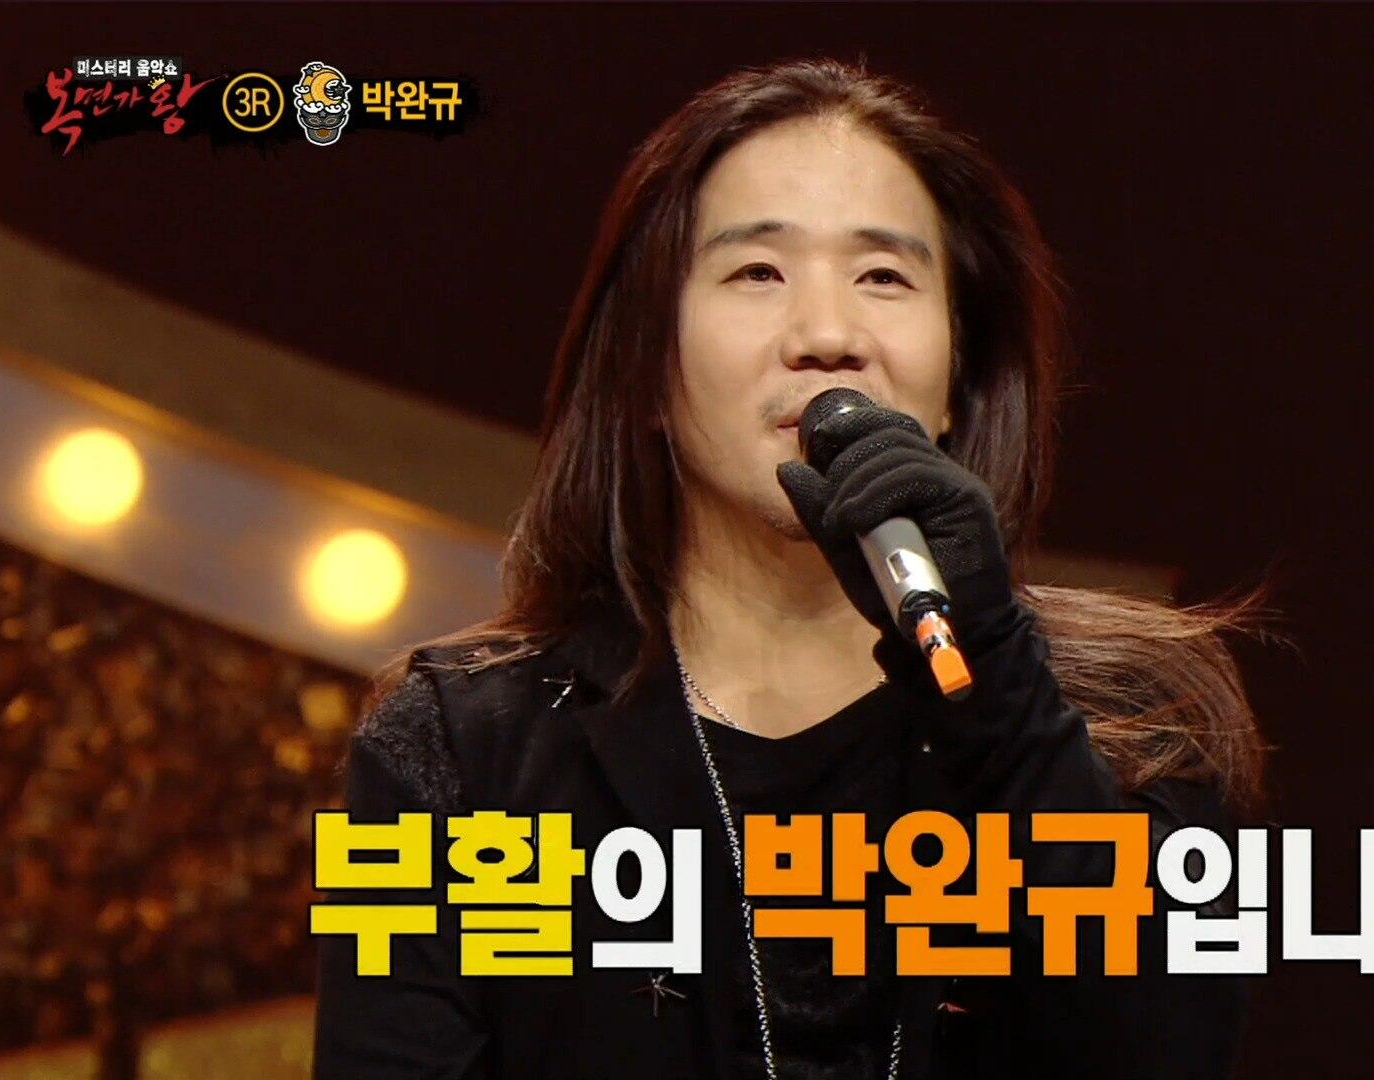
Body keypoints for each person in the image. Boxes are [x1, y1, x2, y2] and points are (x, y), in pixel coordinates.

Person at [313, 56, 1269, 1080]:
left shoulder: (1133, 730)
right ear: (646, 369)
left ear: (960, 374)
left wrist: (992, 673)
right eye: (757, 273)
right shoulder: (463, 751)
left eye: (884, 277)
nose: (827, 336)